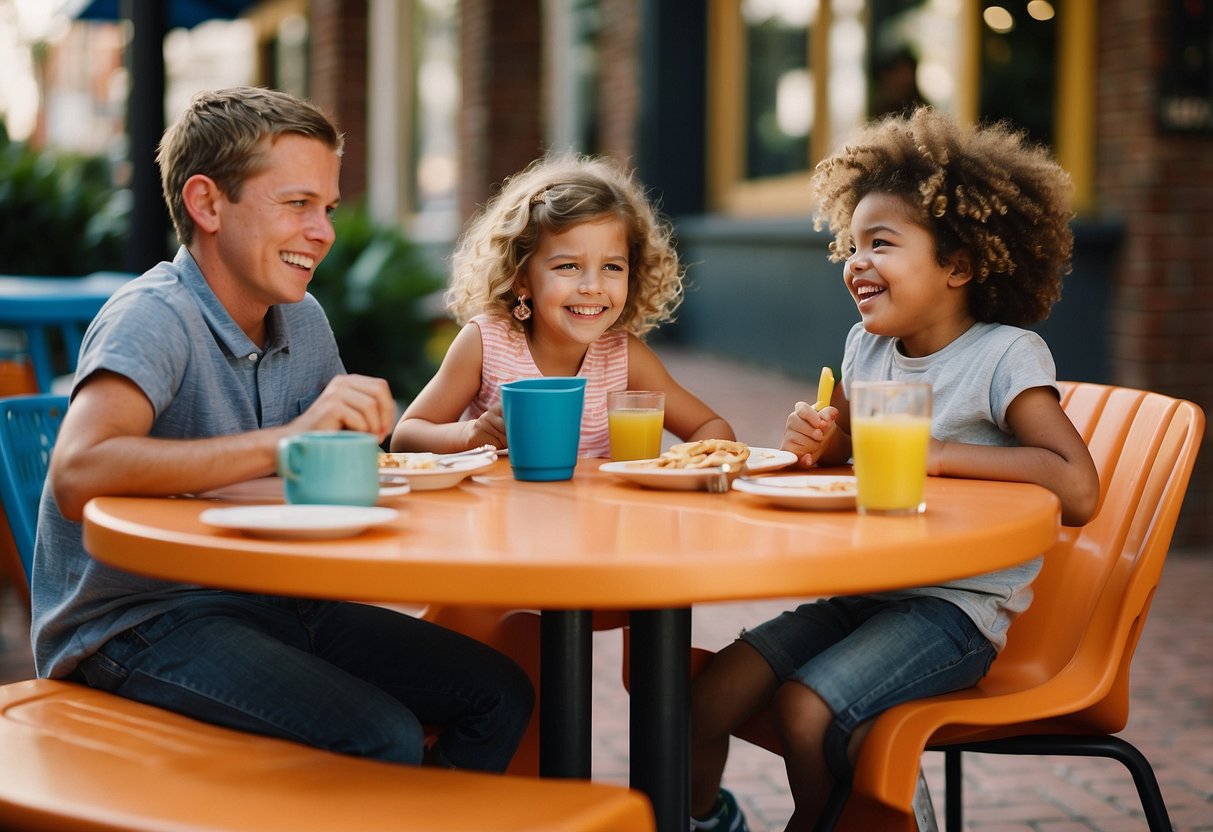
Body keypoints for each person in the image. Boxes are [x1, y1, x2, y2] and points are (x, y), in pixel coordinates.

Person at [29, 86, 532, 772]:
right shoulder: (154, 316)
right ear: (207, 204)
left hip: (277, 599)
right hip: (137, 625)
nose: (322, 230)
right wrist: (289, 440)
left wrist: (399, 448)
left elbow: (320, 468)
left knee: (498, 694)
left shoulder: (301, 318)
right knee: (378, 735)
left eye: (325, 208)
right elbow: (79, 474)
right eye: (296, 204)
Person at [689, 107, 1101, 831]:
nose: (855, 262)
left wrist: (934, 454)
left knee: (803, 706)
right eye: (851, 245)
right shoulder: (865, 346)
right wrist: (818, 440)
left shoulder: (1003, 357)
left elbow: (1077, 487)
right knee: (707, 695)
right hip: (869, 591)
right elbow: (846, 449)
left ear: (957, 264)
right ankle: (704, 818)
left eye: (880, 243)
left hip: (954, 608)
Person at [390, 154, 734, 456]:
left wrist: (679, 464)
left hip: (597, 525)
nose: (592, 287)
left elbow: (713, 428)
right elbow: (406, 437)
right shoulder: (486, 343)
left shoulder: (624, 358)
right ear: (522, 276)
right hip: (504, 522)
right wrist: (469, 434)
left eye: (612, 267)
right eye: (568, 266)